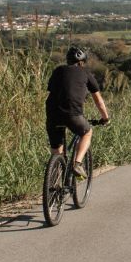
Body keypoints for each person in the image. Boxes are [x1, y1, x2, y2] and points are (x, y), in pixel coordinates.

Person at [45, 47, 109, 178]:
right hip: (72, 114)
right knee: (87, 132)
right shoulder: (85, 73)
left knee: (57, 152)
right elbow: (99, 101)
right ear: (82, 62)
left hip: (52, 114)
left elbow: (51, 91)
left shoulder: (58, 71)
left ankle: (54, 184)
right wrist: (105, 118)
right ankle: (77, 164)